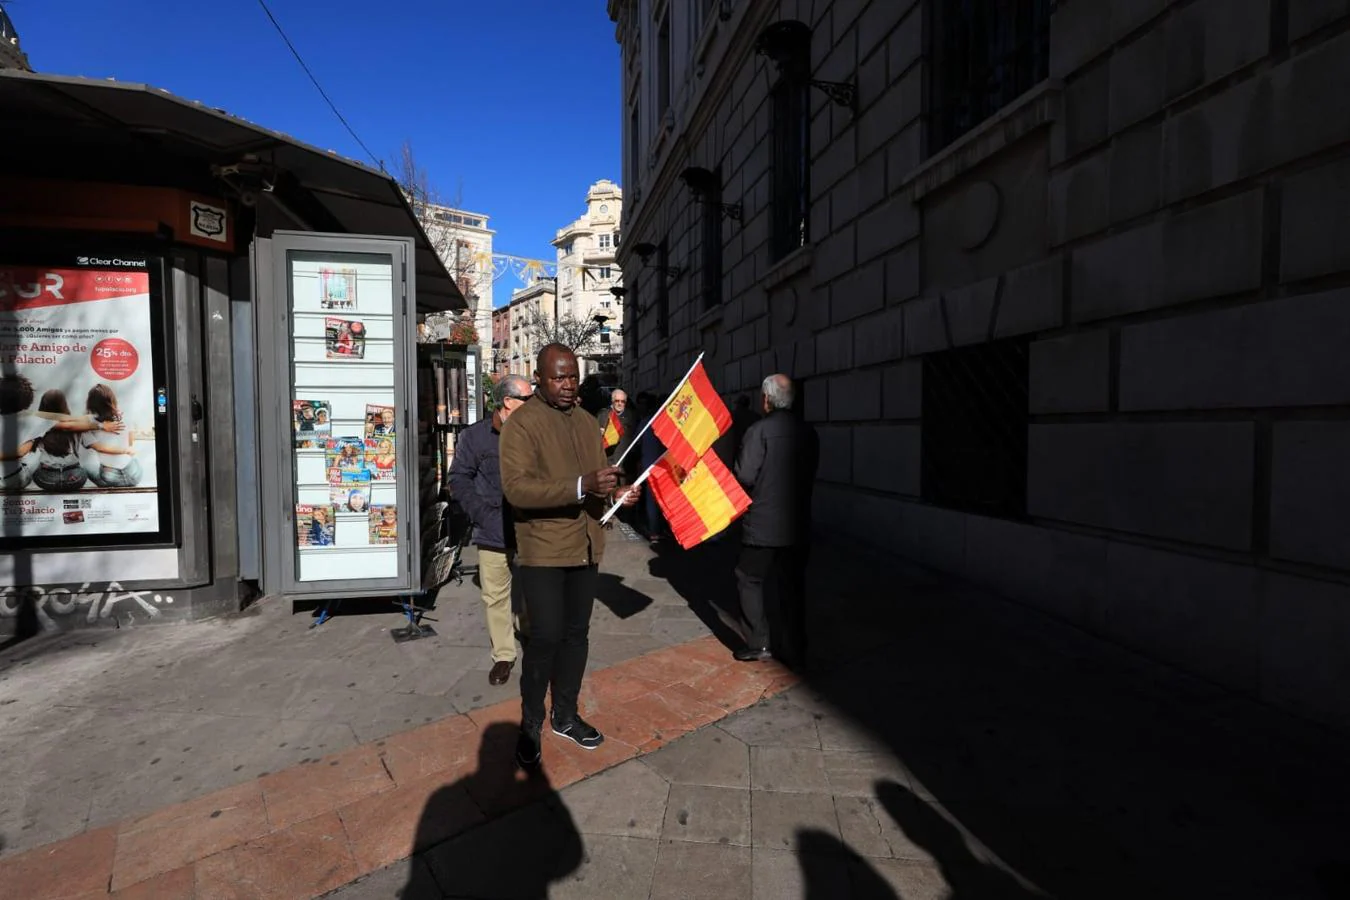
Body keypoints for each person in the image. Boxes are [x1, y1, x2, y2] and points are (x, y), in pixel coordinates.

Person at [499, 343, 640, 767]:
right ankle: (529, 724)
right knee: (544, 639)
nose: (567, 384)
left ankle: (565, 714)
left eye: (573, 376)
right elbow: (517, 490)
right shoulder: (521, 425)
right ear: (539, 377)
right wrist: (581, 485)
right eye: (558, 377)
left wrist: (615, 492)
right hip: (543, 550)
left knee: (576, 638)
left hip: (585, 547)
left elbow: (599, 480)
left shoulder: (585, 422)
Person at [448, 373, 534, 686]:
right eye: (528, 399)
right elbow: (458, 479)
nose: (533, 404)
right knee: (496, 597)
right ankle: (504, 655)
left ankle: (531, 636)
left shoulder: (533, 433)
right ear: (508, 403)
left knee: (531, 591)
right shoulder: (475, 437)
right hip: (493, 531)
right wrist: (483, 515)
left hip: (530, 530)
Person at [733, 374, 819, 669]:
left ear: (766, 400)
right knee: (792, 585)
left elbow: (745, 475)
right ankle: (794, 646)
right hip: (797, 525)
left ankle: (759, 642)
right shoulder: (808, 432)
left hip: (763, 527)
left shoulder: (759, 431)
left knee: (749, 579)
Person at [33, 390, 89, 492]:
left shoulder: (38, 426)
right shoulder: (77, 425)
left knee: (35, 474)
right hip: (74, 478)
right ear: (64, 405)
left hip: (46, 479)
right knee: (85, 471)